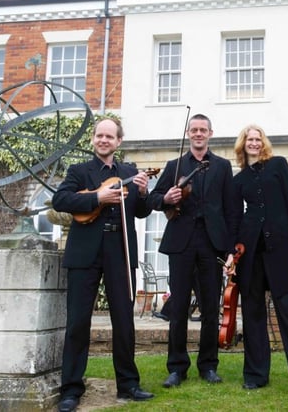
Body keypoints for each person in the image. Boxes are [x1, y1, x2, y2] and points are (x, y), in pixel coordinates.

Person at [51, 118, 155, 411]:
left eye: (110, 136)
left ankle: (128, 384)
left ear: (118, 141)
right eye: (100, 135)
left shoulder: (130, 173)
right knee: (78, 322)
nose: (104, 140)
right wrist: (97, 197)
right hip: (85, 252)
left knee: (124, 319)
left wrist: (144, 193)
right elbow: (60, 200)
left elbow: (141, 211)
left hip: (119, 251)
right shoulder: (79, 171)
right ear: (94, 139)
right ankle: (71, 389)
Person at [228, 124, 288, 399]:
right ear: (243, 144)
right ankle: (255, 375)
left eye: (258, 139)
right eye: (249, 139)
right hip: (249, 252)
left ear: (264, 143)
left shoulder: (279, 165)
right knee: (253, 313)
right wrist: (231, 253)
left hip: (279, 249)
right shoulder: (239, 180)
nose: (254, 143)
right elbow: (235, 218)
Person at [147, 113, 238, 388]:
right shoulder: (174, 166)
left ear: (210, 133)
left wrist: (231, 248)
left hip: (211, 244)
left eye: (203, 130)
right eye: (194, 130)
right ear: (188, 134)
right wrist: (166, 198)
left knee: (211, 308)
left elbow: (232, 209)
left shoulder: (222, 167)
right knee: (179, 308)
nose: (198, 134)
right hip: (181, 243)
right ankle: (177, 367)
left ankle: (208, 365)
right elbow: (152, 199)